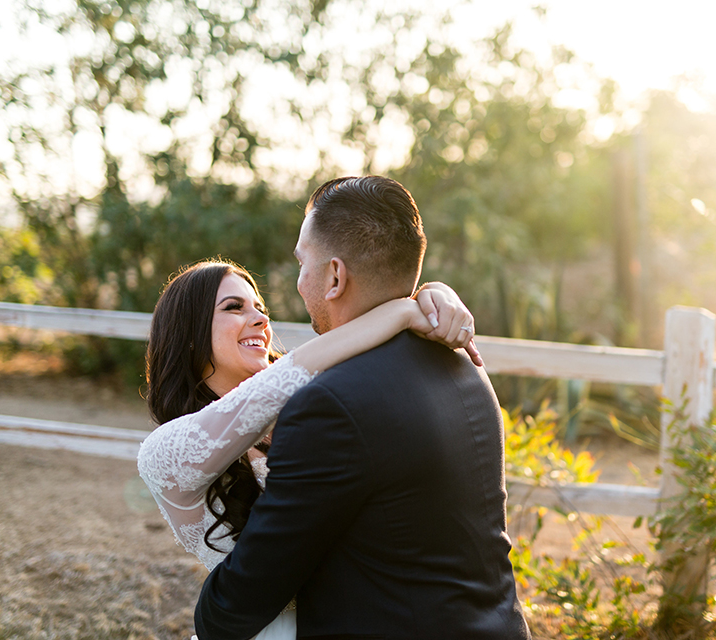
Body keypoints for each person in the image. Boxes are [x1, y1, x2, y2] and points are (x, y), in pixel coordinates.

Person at [194, 176, 531, 639]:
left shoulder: (329, 405)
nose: (299, 282)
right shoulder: (463, 364)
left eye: (302, 263)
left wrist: (206, 619)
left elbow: (245, 596)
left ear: (335, 276)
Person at [138, 258, 480, 640]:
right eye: (234, 308)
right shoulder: (164, 454)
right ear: (188, 333)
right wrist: (403, 310)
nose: (260, 320)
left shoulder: (306, 411)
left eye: (260, 309)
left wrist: (433, 296)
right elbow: (290, 374)